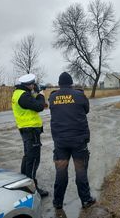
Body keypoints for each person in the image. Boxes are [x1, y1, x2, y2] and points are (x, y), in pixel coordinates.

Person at [49, 72, 96, 209]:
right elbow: (86, 109)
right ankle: (86, 200)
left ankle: (58, 202)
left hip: (60, 142)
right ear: (71, 83)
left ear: (59, 83)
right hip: (78, 141)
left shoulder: (52, 97)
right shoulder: (79, 95)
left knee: (61, 172)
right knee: (81, 171)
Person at [11, 73, 48, 197]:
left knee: (28, 157)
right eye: (33, 84)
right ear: (30, 85)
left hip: (25, 129)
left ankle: (24, 182)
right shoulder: (24, 96)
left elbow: (31, 103)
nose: (34, 86)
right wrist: (41, 95)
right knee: (33, 159)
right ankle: (32, 188)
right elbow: (39, 106)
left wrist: (36, 94)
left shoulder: (19, 93)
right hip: (31, 131)